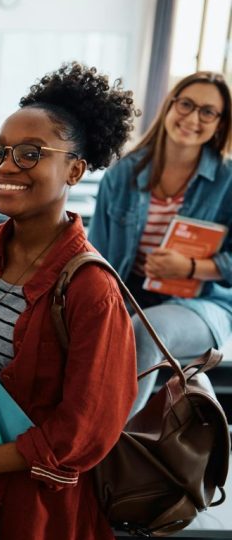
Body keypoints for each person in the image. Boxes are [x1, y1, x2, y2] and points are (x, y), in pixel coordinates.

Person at [0, 62, 139, 540]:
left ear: (75, 170)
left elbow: (86, 430)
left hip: (34, 510)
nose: (5, 166)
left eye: (31, 154)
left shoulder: (91, 288)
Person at [90, 71, 232, 415]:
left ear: (219, 124)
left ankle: (112, 446)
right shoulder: (122, 175)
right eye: (186, 104)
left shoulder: (228, 181)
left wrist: (193, 267)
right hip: (130, 296)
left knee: (142, 333)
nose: (193, 118)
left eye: (208, 112)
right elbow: (98, 254)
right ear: (170, 105)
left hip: (201, 304)